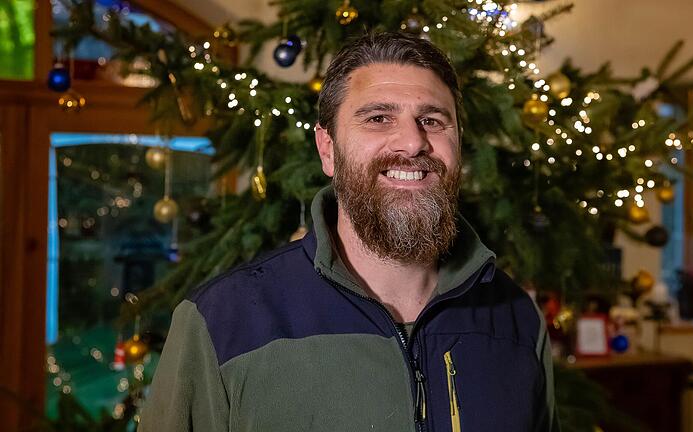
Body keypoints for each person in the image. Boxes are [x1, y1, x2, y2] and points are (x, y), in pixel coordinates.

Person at [140, 31, 559, 432]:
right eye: (378, 118)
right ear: (328, 150)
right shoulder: (221, 321)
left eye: (432, 121)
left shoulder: (516, 317)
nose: (412, 143)